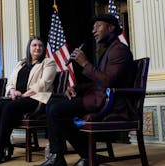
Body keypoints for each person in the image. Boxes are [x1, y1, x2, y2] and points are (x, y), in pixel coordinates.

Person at [39, 14, 136, 166]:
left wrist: (84, 63)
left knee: (57, 110)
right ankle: (64, 155)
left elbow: (107, 82)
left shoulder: (119, 51)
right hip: (98, 98)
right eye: (93, 28)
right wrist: (76, 88)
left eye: (98, 26)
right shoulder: (109, 50)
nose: (93, 31)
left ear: (111, 28)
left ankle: (81, 155)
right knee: (52, 103)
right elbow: (98, 82)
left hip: (111, 103)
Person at [0, 36, 57, 165]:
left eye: (40, 45)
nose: (37, 48)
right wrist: (12, 91)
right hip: (17, 98)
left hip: (35, 98)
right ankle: (7, 145)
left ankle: (0, 149)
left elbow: (44, 83)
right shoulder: (20, 63)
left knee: (9, 108)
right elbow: (10, 82)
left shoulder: (48, 63)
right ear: (29, 48)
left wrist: (25, 94)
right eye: (34, 45)